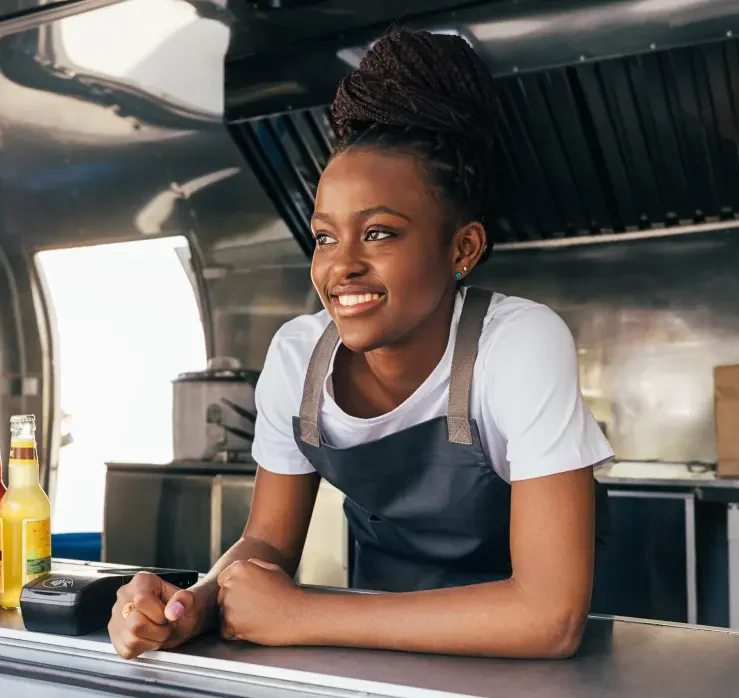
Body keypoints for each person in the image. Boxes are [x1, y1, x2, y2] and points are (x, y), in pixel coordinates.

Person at [108, 28, 613, 660]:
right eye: (324, 237)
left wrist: (302, 615)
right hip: (381, 657)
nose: (340, 266)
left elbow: (549, 619)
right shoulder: (299, 358)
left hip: (537, 668)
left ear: (463, 249)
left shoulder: (517, 345)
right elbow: (265, 548)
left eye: (378, 233)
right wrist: (192, 605)